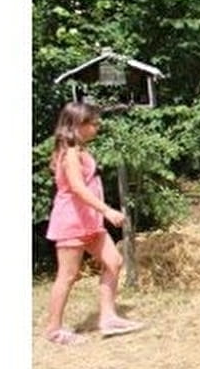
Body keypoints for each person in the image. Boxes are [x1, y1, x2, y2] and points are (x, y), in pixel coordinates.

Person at [40, 100, 145, 345]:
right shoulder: (70, 155)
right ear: (78, 124)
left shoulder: (81, 151)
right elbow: (77, 188)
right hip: (72, 222)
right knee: (67, 275)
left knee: (114, 261)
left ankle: (108, 317)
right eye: (93, 123)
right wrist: (107, 211)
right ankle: (53, 329)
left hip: (89, 222)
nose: (97, 127)